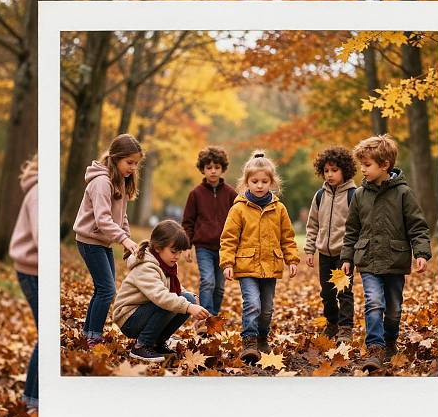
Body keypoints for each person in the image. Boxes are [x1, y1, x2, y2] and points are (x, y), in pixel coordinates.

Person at [340, 135, 431, 371]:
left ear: (385, 165)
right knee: (374, 303)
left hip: (395, 260)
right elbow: (352, 229)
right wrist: (347, 257)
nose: (362, 169)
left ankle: (390, 341)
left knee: (393, 310)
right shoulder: (360, 195)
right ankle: (375, 349)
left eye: (367, 165)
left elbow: (417, 226)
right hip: (368, 260)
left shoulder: (403, 193)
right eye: (361, 164)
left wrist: (421, 253)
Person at [220, 151, 300, 363]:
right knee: (252, 304)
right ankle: (249, 342)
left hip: (270, 265)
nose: (259, 185)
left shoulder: (279, 208)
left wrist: (292, 259)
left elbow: (287, 237)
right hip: (246, 265)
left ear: (272, 182)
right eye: (254, 181)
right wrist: (227, 262)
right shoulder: (238, 209)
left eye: (264, 181)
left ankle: (262, 337)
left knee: (267, 308)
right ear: (246, 182)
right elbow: (228, 238)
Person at [73, 134, 143, 347]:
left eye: (136, 164)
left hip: (101, 241)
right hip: (89, 240)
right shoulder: (102, 182)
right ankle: (93, 336)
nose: (132, 168)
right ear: (115, 158)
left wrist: (127, 240)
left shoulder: (119, 180)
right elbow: (103, 219)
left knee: (103, 288)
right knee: (107, 289)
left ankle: (88, 332)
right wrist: (123, 240)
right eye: (129, 162)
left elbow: (120, 215)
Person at [112, 220, 210, 362]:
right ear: (158, 248)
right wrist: (189, 307)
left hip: (144, 312)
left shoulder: (165, 264)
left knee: (187, 299)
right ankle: (141, 346)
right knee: (171, 303)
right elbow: (161, 296)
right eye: (173, 251)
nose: (177, 256)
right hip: (129, 319)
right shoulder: (146, 267)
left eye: (180, 252)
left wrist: (191, 299)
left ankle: (157, 343)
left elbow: (172, 288)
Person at [305, 146, 357, 344]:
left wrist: (351, 254)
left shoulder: (353, 195)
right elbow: (312, 225)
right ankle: (332, 323)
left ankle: (345, 328)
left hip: (344, 255)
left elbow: (357, 228)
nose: (329, 174)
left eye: (334, 170)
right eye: (326, 171)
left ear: (344, 170)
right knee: (327, 293)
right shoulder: (320, 196)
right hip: (324, 254)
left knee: (344, 292)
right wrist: (310, 249)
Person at [182, 146, 237, 316]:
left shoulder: (230, 194)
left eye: (217, 167)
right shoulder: (195, 194)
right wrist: (186, 246)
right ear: (203, 169)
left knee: (219, 286)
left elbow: (238, 220)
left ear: (222, 169)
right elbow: (188, 222)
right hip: (203, 246)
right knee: (208, 281)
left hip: (224, 248)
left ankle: (213, 317)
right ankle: (205, 319)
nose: (213, 171)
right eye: (209, 167)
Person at [9, 154, 38, 409]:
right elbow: (42, 237)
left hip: (33, 269)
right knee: (47, 337)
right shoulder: (40, 192)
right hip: (33, 270)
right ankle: (33, 401)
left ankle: (32, 398)